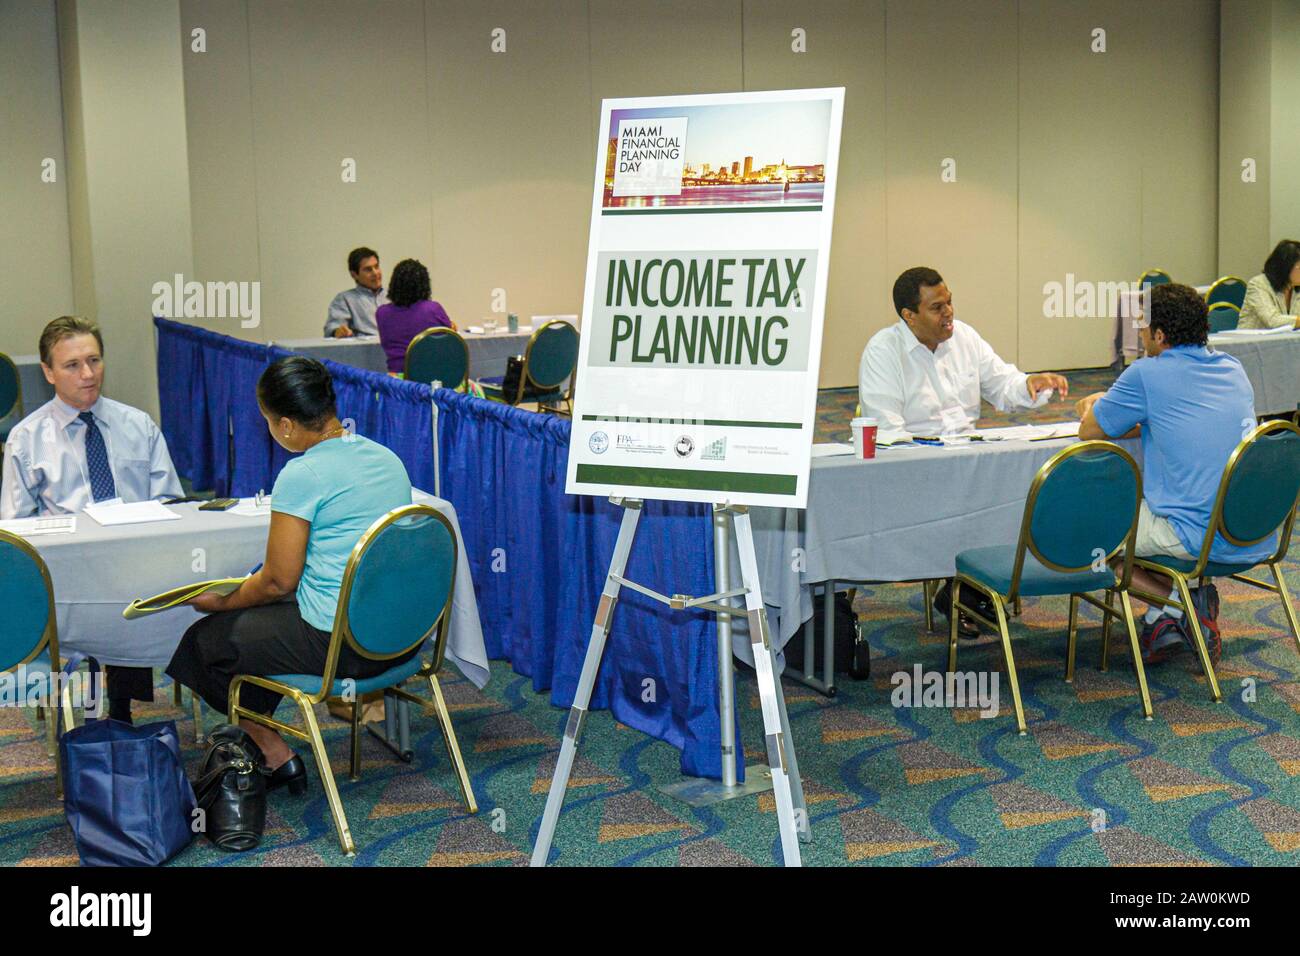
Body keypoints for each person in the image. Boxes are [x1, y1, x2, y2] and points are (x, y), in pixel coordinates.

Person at [167, 356, 415, 791]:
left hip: (341, 647)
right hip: (400, 636)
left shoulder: (302, 473)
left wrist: (222, 601)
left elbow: (279, 581)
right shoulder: (386, 457)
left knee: (205, 642)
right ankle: (263, 744)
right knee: (260, 633)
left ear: (284, 425)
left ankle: (275, 751)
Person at [859, 266, 1070, 637]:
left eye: (950, 301)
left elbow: (1004, 386)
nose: (949, 313)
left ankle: (969, 588)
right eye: (937, 307)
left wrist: (1031, 385)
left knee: (1024, 488)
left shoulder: (966, 338)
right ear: (909, 316)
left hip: (968, 460)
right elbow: (887, 433)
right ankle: (966, 588)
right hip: (917, 468)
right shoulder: (882, 351)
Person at [1076, 283, 1273, 665]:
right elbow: (1176, 421)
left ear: (1160, 334)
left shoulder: (1147, 374)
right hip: (1250, 529)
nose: (1141, 336)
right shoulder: (1232, 368)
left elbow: (1090, 430)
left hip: (1196, 536)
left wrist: (1092, 404)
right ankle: (1165, 614)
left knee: (1092, 531)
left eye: (1142, 328)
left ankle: (1175, 604)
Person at [1, 315, 182, 723]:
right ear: (48, 372)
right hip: (67, 576)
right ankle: (102, 708)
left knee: (149, 591)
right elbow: (15, 529)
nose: (88, 374)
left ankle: (118, 708)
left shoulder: (137, 425)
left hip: (138, 565)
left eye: (95, 361)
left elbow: (172, 501)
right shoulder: (27, 439)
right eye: (72, 365)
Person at [375, 258, 455, 375]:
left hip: (396, 381)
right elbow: (450, 338)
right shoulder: (433, 309)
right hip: (431, 378)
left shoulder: (381, 313)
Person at [1237, 239, 1300, 330]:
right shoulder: (1258, 284)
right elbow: (1272, 320)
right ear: (1286, 266)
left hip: (1284, 341)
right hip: (1251, 342)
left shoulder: (1296, 289)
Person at [324, 246, 386, 338]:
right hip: (366, 350)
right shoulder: (345, 299)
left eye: (376, 267)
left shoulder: (394, 296)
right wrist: (337, 331)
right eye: (368, 269)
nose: (375, 273)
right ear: (354, 275)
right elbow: (332, 328)